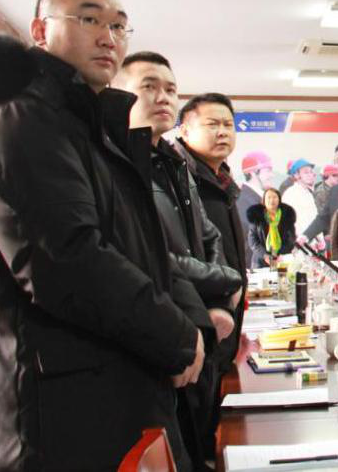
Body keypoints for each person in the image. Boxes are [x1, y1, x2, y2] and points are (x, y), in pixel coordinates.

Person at [0, 0, 206, 470]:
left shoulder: (85, 127)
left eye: (119, 26)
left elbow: (139, 252)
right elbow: (66, 260)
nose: (109, 38)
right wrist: (175, 335)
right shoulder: (16, 118)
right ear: (40, 31)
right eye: (89, 19)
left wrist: (187, 324)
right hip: (53, 417)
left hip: (103, 391)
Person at [117, 52, 243, 468]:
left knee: (204, 442)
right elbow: (150, 255)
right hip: (165, 331)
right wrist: (226, 281)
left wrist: (218, 299)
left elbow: (209, 237)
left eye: (171, 89)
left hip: (203, 326)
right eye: (149, 87)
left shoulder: (172, 164)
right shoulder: (119, 162)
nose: (163, 97)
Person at [174, 91, 248, 444]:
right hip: (197, 324)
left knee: (217, 430)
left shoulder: (221, 180)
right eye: (212, 124)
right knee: (197, 431)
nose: (223, 132)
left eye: (228, 125)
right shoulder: (180, 178)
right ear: (185, 130)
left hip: (223, 324)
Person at [247, 188, 297, 267]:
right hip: (261, 261)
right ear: (264, 200)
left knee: (282, 275)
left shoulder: (286, 216)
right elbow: (253, 241)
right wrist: (265, 255)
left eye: (274, 197)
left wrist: (280, 254)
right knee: (262, 275)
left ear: (279, 200)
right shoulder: (256, 216)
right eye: (269, 197)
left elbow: (291, 239)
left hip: (282, 260)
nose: (272, 200)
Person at [236, 151, 273, 237]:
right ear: (253, 173)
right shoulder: (244, 202)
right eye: (268, 171)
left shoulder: (256, 199)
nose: (272, 175)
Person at [281, 158, 319, 237]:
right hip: (300, 241)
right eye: (306, 172)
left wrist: (320, 239)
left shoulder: (308, 194)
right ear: (296, 175)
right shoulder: (290, 194)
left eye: (311, 172)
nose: (310, 175)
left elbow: (314, 219)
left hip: (312, 240)